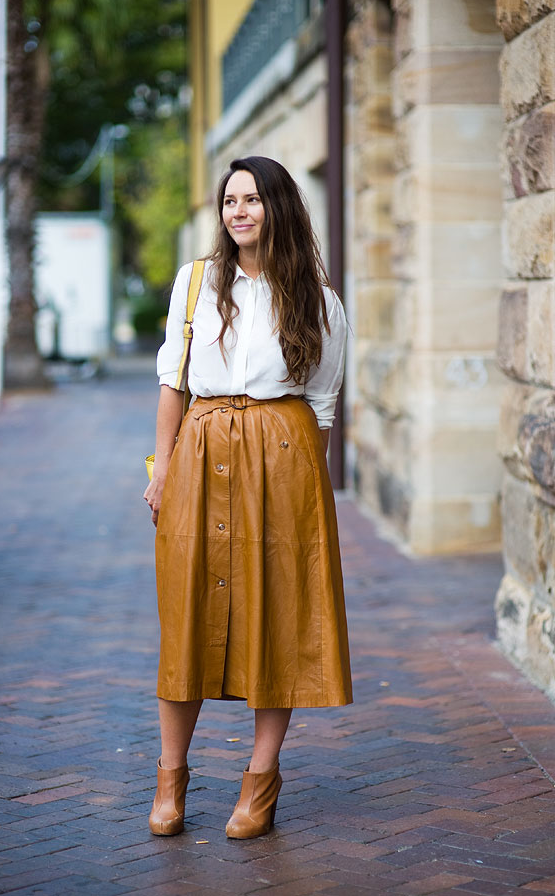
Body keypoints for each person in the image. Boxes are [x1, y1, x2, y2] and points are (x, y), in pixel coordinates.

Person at [143, 155, 352, 840]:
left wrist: (303, 491)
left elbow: (320, 401)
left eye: (253, 199)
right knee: (185, 617)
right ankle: (170, 778)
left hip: (282, 457)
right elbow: (173, 381)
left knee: (278, 617)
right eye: (230, 200)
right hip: (201, 451)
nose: (239, 211)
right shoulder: (196, 282)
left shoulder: (317, 299)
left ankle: (260, 781)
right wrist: (162, 468)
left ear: (279, 208)